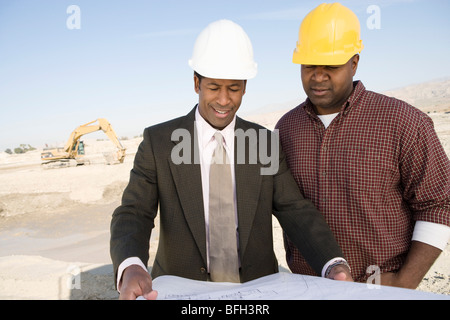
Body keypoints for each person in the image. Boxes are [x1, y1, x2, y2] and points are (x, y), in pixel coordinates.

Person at [110, 19, 352, 300]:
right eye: (214, 87)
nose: (224, 100)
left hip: (258, 290)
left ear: (245, 87)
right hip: (181, 290)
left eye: (234, 88)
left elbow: (294, 209)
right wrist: (130, 265)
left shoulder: (264, 142)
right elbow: (134, 213)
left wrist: (332, 262)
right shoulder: (159, 142)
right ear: (196, 83)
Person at [276, 3, 450, 289]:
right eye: (309, 66)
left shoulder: (404, 122)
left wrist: (406, 282)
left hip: (381, 289)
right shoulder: (287, 128)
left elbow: (438, 205)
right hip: (308, 288)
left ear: (354, 63)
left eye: (330, 66)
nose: (318, 77)